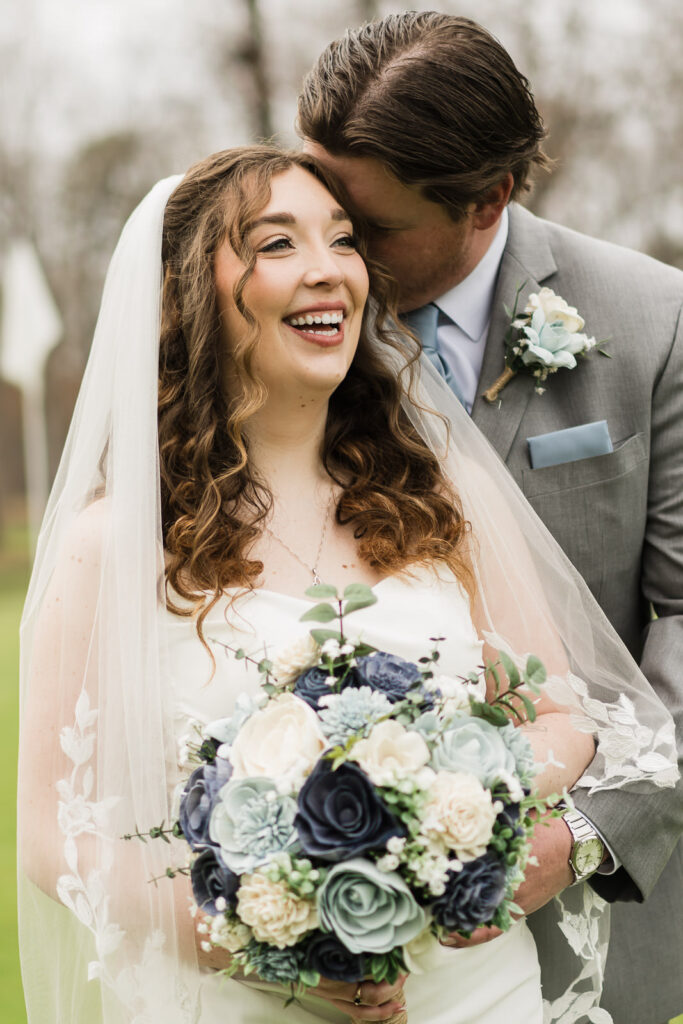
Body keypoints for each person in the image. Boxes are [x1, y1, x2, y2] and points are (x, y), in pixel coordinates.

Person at [17, 145, 676, 1024]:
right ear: (189, 289)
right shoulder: (115, 543)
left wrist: (450, 816)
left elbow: (556, 718)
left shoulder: (441, 500)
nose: (327, 271)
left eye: (341, 241)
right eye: (276, 244)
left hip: (478, 994)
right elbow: (49, 830)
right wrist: (257, 930)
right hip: (239, 997)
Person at [297, 11, 683, 1024]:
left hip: (587, 917)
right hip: (336, 921)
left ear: (488, 198)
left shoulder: (654, 325)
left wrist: (588, 833)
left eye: (369, 229)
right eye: (322, 209)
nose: (336, 255)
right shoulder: (291, 338)